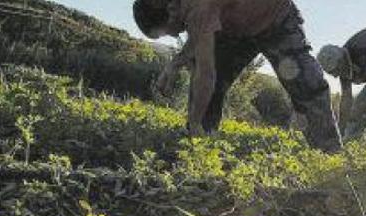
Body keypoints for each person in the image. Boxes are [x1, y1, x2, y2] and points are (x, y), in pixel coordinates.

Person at [132, 0, 342, 153]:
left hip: (276, 19)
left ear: (164, 6)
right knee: (211, 88)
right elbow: (200, 31)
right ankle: (200, 145)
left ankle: (330, 155)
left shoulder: (197, 7)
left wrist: (194, 120)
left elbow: (206, 74)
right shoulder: (187, 8)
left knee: (307, 85)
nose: (175, 35)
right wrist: (174, 64)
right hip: (235, 28)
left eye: (167, 31)